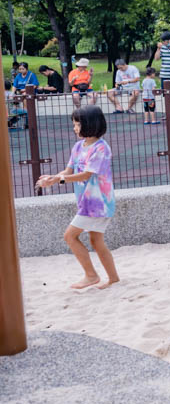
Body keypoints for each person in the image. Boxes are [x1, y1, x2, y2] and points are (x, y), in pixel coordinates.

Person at [35, 105, 119, 290]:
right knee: (96, 241)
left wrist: (59, 179)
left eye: (77, 124)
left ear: (89, 124)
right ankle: (113, 278)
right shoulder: (79, 146)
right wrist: (53, 177)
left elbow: (86, 174)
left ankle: (91, 275)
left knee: (70, 236)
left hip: (97, 203)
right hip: (87, 202)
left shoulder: (101, 148)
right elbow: (69, 170)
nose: (74, 128)